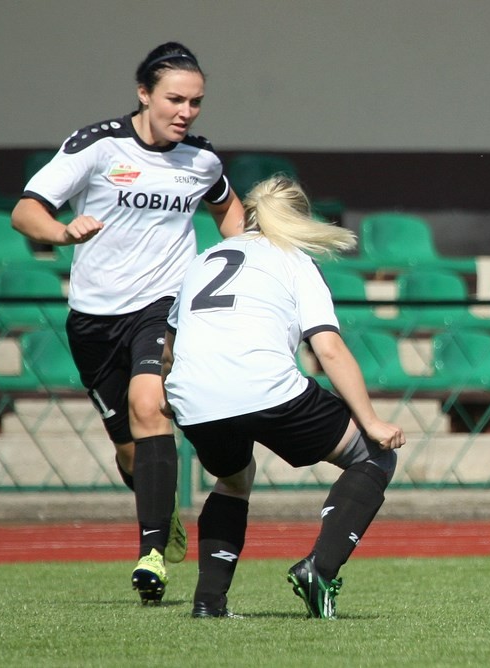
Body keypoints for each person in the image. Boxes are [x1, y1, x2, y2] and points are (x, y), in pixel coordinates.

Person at [10, 41, 244, 605]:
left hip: (164, 305)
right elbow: (25, 211)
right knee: (129, 449)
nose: (186, 112)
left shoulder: (202, 160)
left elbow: (227, 209)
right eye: (175, 100)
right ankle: (160, 511)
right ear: (144, 94)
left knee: (150, 404)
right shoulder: (96, 146)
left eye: (196, 102)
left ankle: (151, 553)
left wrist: (248, 255)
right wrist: (62, 232)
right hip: (93, 320)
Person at [160, 174, 405, 620]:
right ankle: (320, 570)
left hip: (192, 396)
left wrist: (169, 396)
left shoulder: (203, 259)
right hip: (264, 387)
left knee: (234, 478)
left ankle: (208, 603)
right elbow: (328, 348)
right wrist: (371, 421)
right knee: (372, 455)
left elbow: (169, 352)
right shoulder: (293, 259)